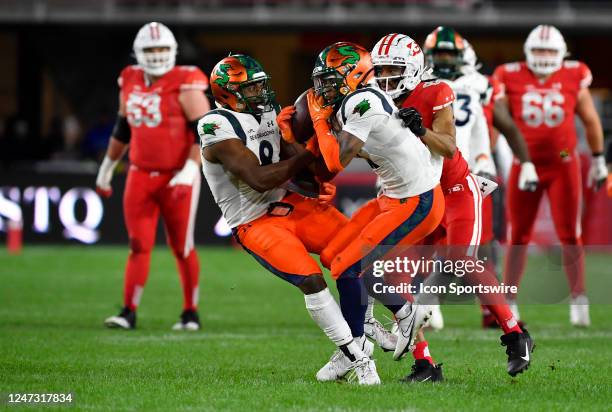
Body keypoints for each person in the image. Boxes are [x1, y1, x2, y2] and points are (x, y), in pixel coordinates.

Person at [199, 53, 380, 384]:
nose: (261, 94)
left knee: (356, 250)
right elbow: (259, 178)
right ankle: (357, 358)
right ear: (226, 93)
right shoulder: (215, 125)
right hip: (253, 220)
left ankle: (365, 327)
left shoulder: (266, 111)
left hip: (289, 204)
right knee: (311, 280)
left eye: (260, 86)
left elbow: (288, 163)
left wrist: (316, 175)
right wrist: (312, 149)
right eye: (250, 89)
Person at [370, 32, 535, 378]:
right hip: (414, 195)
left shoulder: (437, 91)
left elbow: (446, 146)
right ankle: (424, 362)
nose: (385, 78)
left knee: (461, 260)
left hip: (455, 188)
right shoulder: (373, 102)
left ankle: (515, 334)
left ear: (413, 69)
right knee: (393, 275)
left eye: (392, 70)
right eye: (380, 70)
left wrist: (420, 131)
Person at [303, 41, 445, 382]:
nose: (324, 88)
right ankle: (370, 328)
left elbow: (335, 161)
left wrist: (321, 123)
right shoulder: (350, 102)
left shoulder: (361, 100)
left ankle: (361, 343)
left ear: (355, 74)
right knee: (336, 257)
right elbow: (321, 157)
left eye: (331, 79)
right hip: (393, 197)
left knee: (351, 268)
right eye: (321, 80)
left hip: (417, 200)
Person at [97, 22, 210, 330]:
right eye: (150, 49)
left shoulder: (187, 80)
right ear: (138, 53)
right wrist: (107, 168)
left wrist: (190, 169)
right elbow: (122, 129)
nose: (157, 55)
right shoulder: (129, 78)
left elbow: (206, 132)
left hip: (177, 176)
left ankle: (190, 312)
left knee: (181, 246)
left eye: (162, 49)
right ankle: (128, 311)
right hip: (140, 173)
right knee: (137, 244)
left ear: (173, 51)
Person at [494, 25, 606, 327]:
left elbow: (590, 119)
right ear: (528, 53)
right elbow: (497, 116)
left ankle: (579, 298)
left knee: (570, 233)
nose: (544, 57)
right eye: (539, 51)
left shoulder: (574, 74)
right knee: (518, 235)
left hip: (563, 164)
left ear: (562, 54)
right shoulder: (510, 74)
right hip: (524, 163)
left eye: (549, 51)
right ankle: (510, 301)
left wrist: (598, 159)